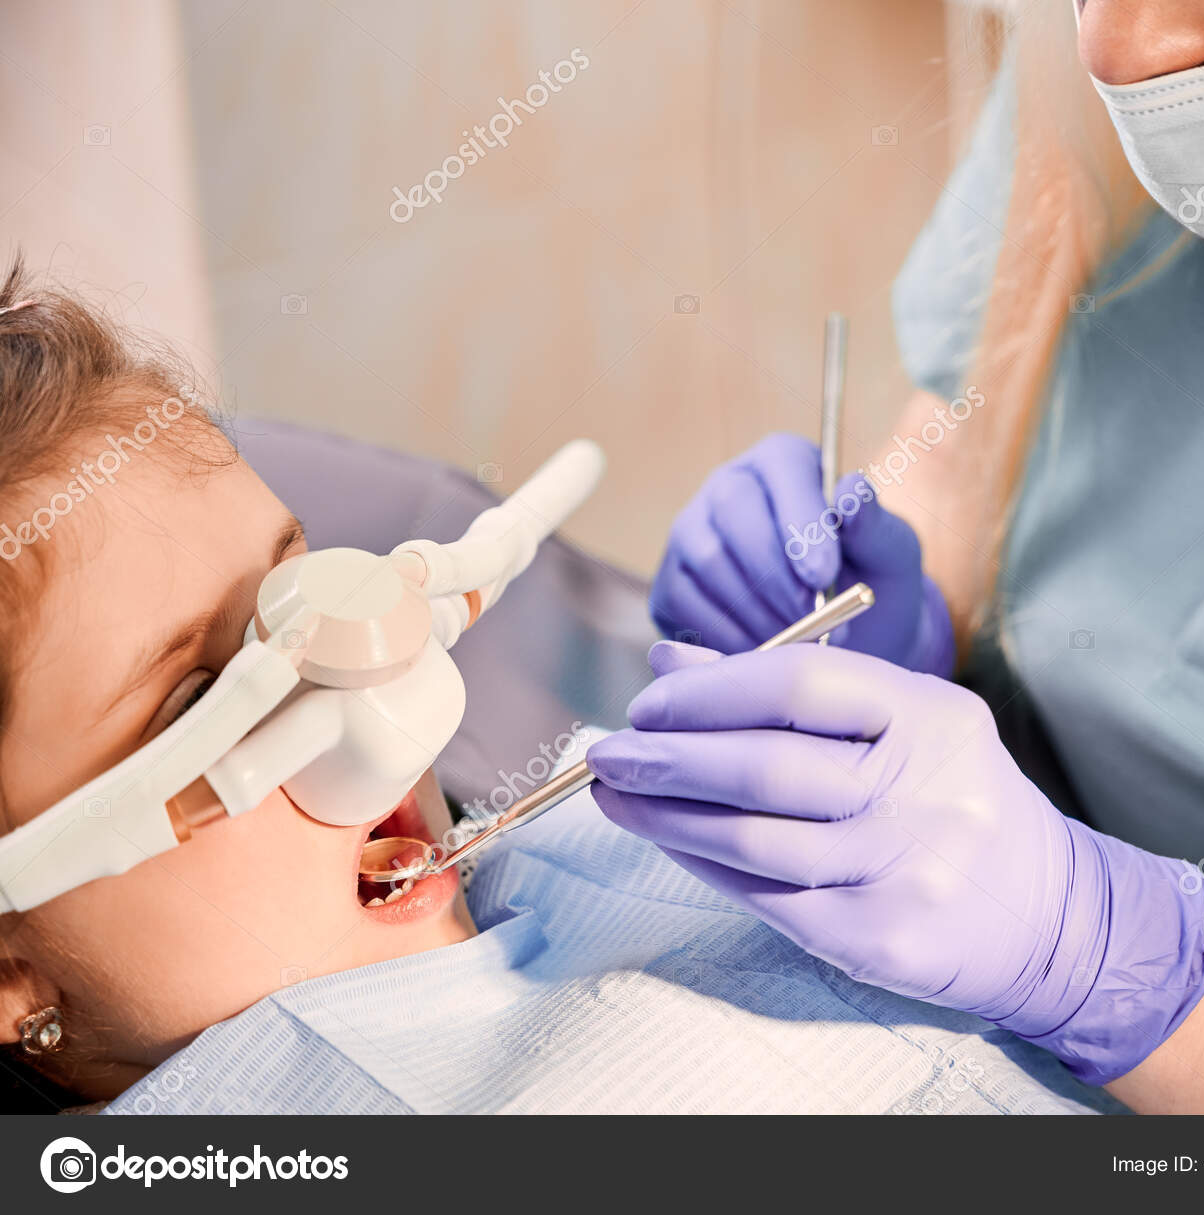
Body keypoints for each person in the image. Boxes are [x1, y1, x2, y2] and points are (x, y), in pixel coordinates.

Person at [587, 0, 1204, 1112]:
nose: (1116, 49)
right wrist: (880, 608)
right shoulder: (1145, 100)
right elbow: (964, 448)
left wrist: (1155, 983)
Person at [0, 260, 1088, 1114]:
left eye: (304, 593)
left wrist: (865, 719)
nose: (370, 703)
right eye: (199, 702)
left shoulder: (594, 835)